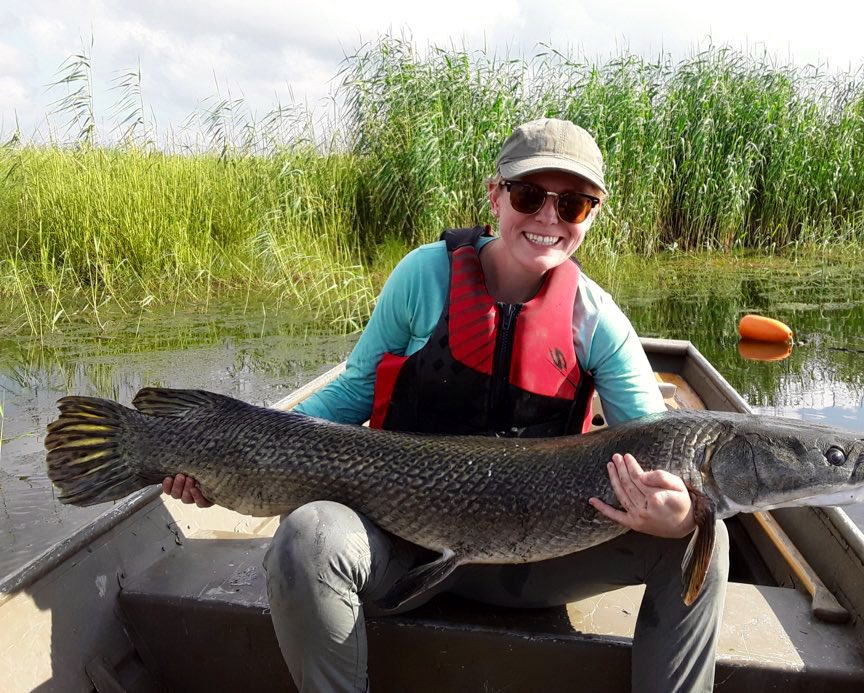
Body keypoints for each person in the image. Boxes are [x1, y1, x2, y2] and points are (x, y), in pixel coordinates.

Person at [163, 118, 729, 692]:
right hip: (399, 551)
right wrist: (226, 453)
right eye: (530, 195)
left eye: (574, 205)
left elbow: (656, 444)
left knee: (703, 534)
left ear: (592, 215)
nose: (548, 219)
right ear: (495, 194)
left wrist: (679, 513)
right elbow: (349, 396)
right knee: (308, 534)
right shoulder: (422, 276)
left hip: (534, 562)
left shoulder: (597, 319)